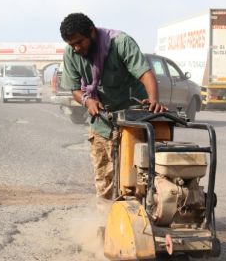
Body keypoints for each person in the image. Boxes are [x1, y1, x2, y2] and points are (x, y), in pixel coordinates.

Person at [59, 12, 166, 202]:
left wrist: (154, 100)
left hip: (133, 120)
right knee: (105, 178)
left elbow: (145, 74)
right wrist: (87, 100)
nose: (76, 48)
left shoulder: (121, 43)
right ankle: (107, 220)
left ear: (92, 32)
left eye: (79, 42)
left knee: (138, 177)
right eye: (71, 45)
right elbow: (74, 89)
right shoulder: (71, 53)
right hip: (102, 120)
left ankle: (142, 219)